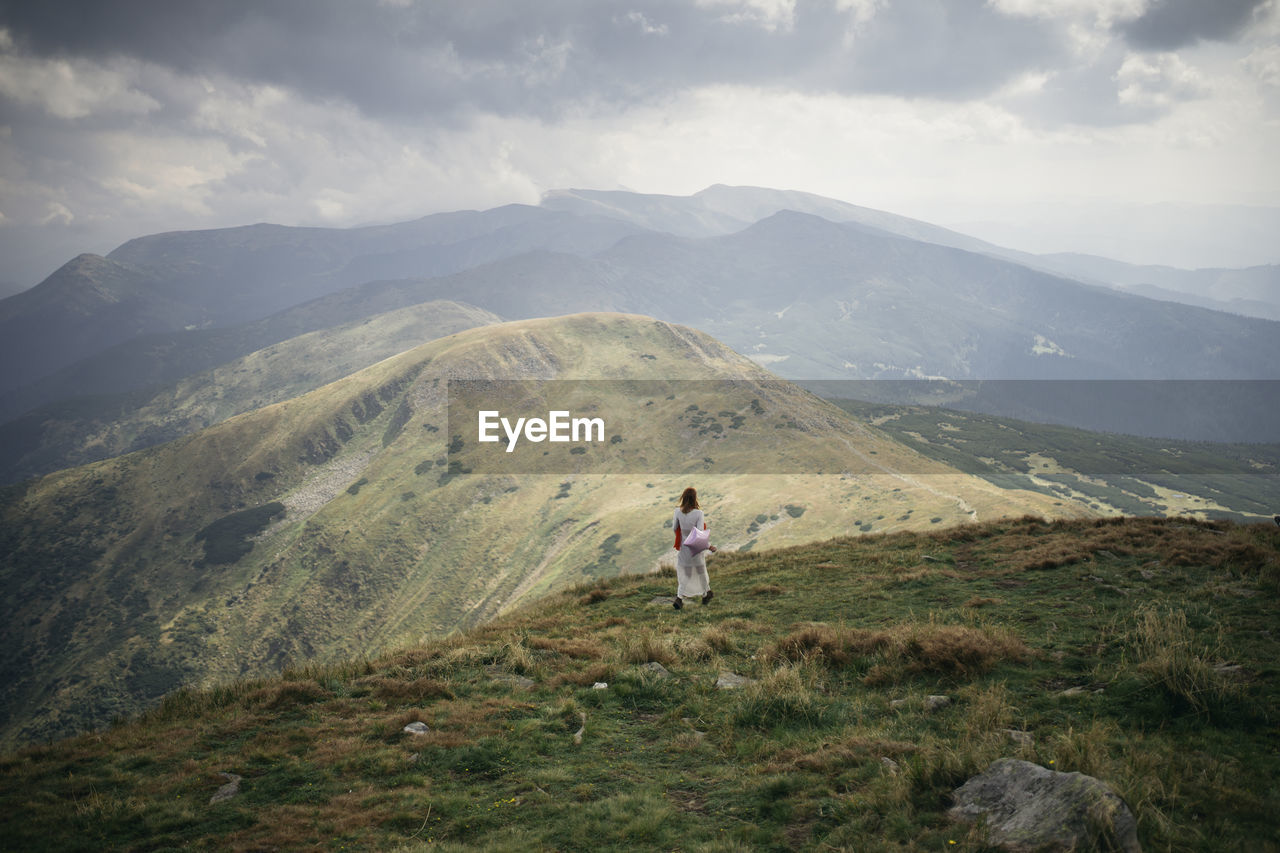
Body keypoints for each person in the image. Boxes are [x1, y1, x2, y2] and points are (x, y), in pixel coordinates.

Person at [671, 486, 716, 610]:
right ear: (695, 498)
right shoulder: (698, 513)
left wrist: (681, 539)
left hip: (684, 546)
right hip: (695, 547)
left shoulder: (677, 511)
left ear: (684, 497)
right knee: (701, 570)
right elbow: (700, 533)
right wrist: (709, 546)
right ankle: (706, 594)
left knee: (686, 572)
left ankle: (680, 598)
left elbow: (674, 528)